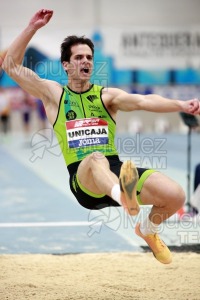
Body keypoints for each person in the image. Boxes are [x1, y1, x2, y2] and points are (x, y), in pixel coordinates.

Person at [1, 9, 200, 264]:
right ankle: (124, 198)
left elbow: (144, 100)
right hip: (84, 180)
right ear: (66, 64)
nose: (86, 61)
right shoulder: (54, 95)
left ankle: (147, 230)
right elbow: (10, 65)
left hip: (116, 170)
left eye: (89, 57)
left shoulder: (107, 96)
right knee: (95, 158)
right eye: (79, 57)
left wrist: (181, 105)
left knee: (175, 195)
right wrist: (32, 27)